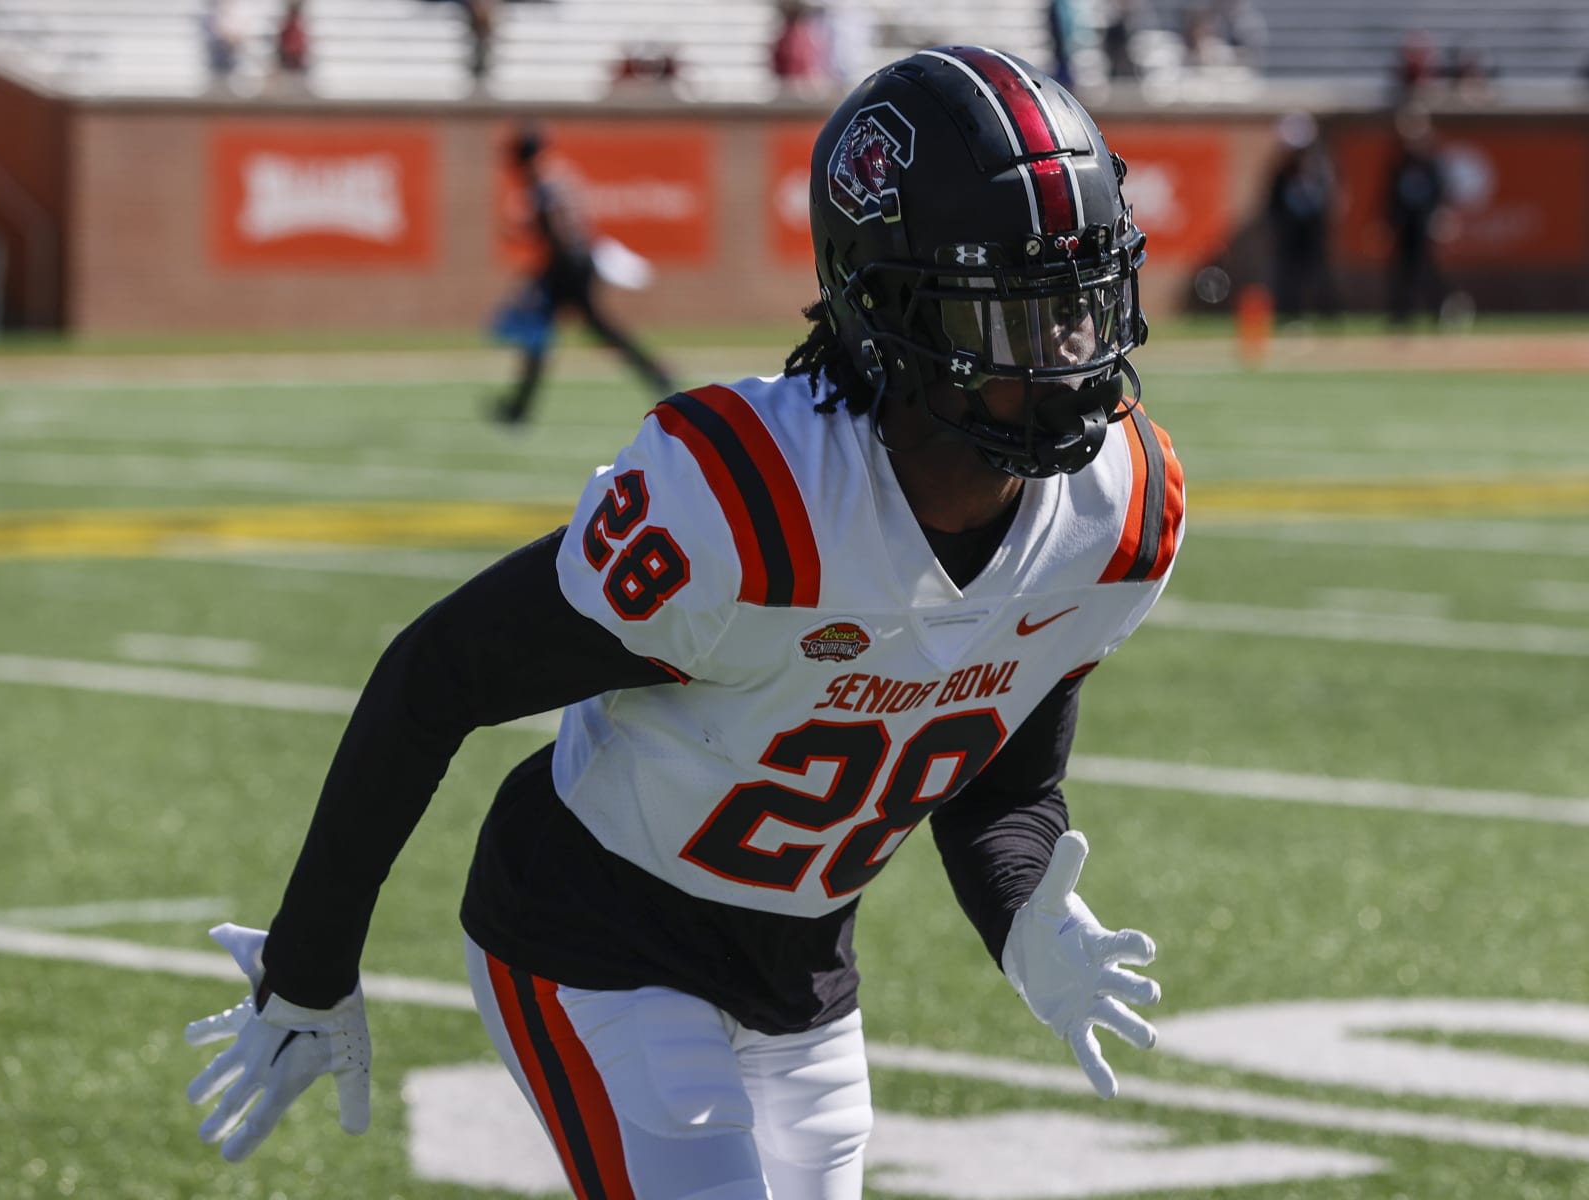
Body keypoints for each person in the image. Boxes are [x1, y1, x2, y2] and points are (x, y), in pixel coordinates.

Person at [183, 44, 1182, 1200]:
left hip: (805, 972)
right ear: (898, 314)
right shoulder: (753, 508)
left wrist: (1025, 922)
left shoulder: (1120, 514)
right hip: (591, 936)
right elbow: (436, 674)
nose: (1071, 360)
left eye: (1081, 301)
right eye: (1019, 314)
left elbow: (999, 780)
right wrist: (310, 966)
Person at [490, 125, 675, 424]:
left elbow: (558, 228)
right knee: (573, 331)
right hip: (575, 263)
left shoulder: (540, 179)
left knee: (545, 335)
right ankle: (657, 373)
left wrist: (532, 242)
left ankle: (519, 408)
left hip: (567, 267)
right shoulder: (557, 173)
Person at [1263, 111, 1341, 324]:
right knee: (1289, 274)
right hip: (1290, 231)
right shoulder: (1282, 172)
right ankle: (1289, 316)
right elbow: (1273, 203)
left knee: (1318, 271)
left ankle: (1327, 316)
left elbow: (1330, 197)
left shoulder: (1318, 168)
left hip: (1313, 229)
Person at [1383, 105, 1451, 329]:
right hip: (1405, 225)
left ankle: (1441, 310)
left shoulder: (1430, 161)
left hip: (1424, 223)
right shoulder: (1399, 161)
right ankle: (1401, 316)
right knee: (1402, 270)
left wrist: (1440, 216)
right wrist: (1388, 223)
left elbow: (1440, 192)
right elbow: (1391, 196)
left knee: (1425, 269)